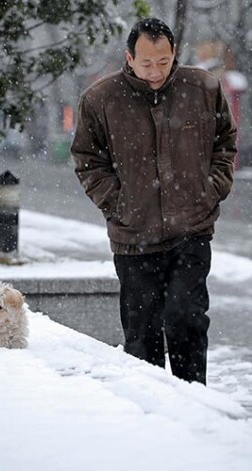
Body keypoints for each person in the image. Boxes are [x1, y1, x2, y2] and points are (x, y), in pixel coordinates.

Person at [70, 17, 237, 385]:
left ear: (174, 53)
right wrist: (117, 203)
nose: (156, 71)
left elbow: (224, 142)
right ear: (129, 58)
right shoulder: (100, 99)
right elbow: (87, 160)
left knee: (187, 319)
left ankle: (194, 404)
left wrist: (212, 187)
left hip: (191, 229)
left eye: (163, 62)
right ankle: (151, 416)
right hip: (134, 237)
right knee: (141, 336)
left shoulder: (202, 87)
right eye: (146, 63)